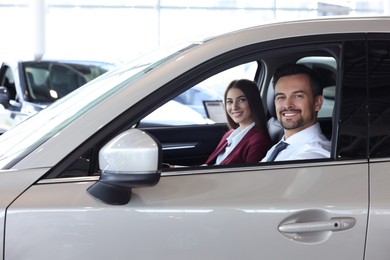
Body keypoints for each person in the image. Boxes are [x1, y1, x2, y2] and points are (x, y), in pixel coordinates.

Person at [261, 63, 331, 162]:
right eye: (281, 97)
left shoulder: (316, 155)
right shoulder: (277, 147)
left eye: (298, 96)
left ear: (317, 103)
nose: (287, 104)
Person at [204, 79, 272, 165]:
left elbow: (248, 177)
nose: (234, 107)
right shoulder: (229, 135)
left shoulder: (258, 142)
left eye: (241, 100)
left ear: (253, 102)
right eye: (229, 101)